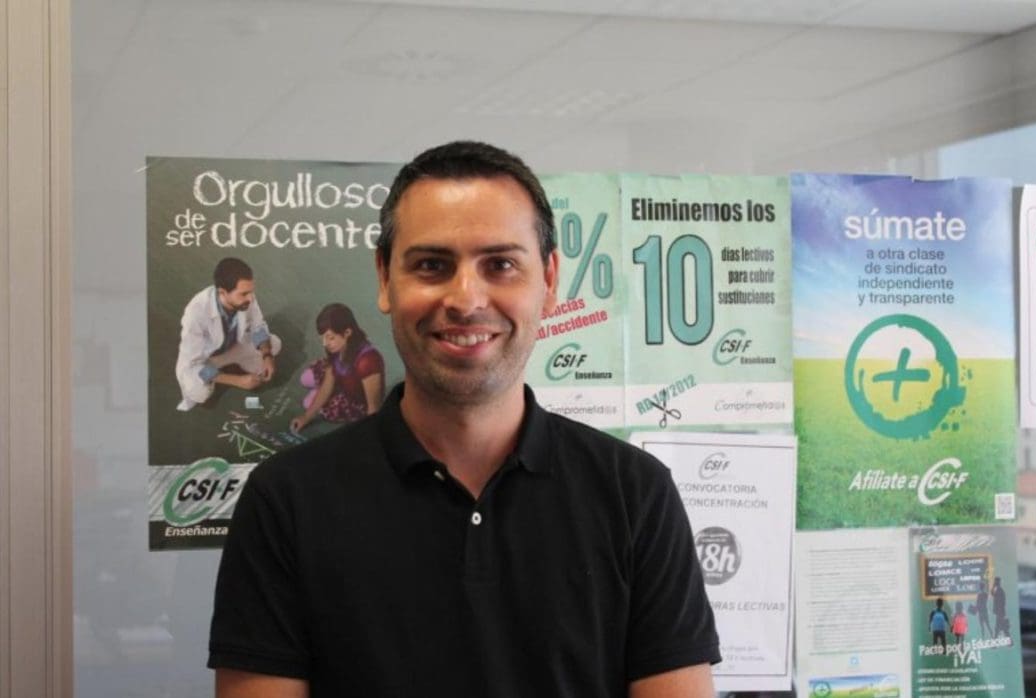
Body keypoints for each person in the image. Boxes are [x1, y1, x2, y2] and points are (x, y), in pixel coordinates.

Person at [208, 141, 720, 697]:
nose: (466, 299)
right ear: (384, 278)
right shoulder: (286, 501)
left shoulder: (635, 494)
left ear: (549, 281)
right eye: (432, 265)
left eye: (501, 265)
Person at [174, 257, 281, 411]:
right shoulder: (196, 312)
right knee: (199, 393)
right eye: (244, 294)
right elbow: (195, 365)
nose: (250, 298)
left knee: (274, 344)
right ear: (222, 292)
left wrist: (267, 356)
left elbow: (258, 327)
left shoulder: (246, 296)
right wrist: (237, 380)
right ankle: (222, 374)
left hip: (232, 346)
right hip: (205, 360)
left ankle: (230, 367)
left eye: (251, 292)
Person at [290, 303, 385, 432]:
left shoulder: (368, 361)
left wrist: (369, 434)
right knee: (306, 378)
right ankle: (329, 391)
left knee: (308, 402)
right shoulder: (338, 348)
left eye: (330, 338)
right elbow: (327, 384)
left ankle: (329, 394)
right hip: (344, 383)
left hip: (356, 400)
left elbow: (373, 408)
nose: (325, 343)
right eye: (322, 338)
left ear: (347, 333)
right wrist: (306, 417)